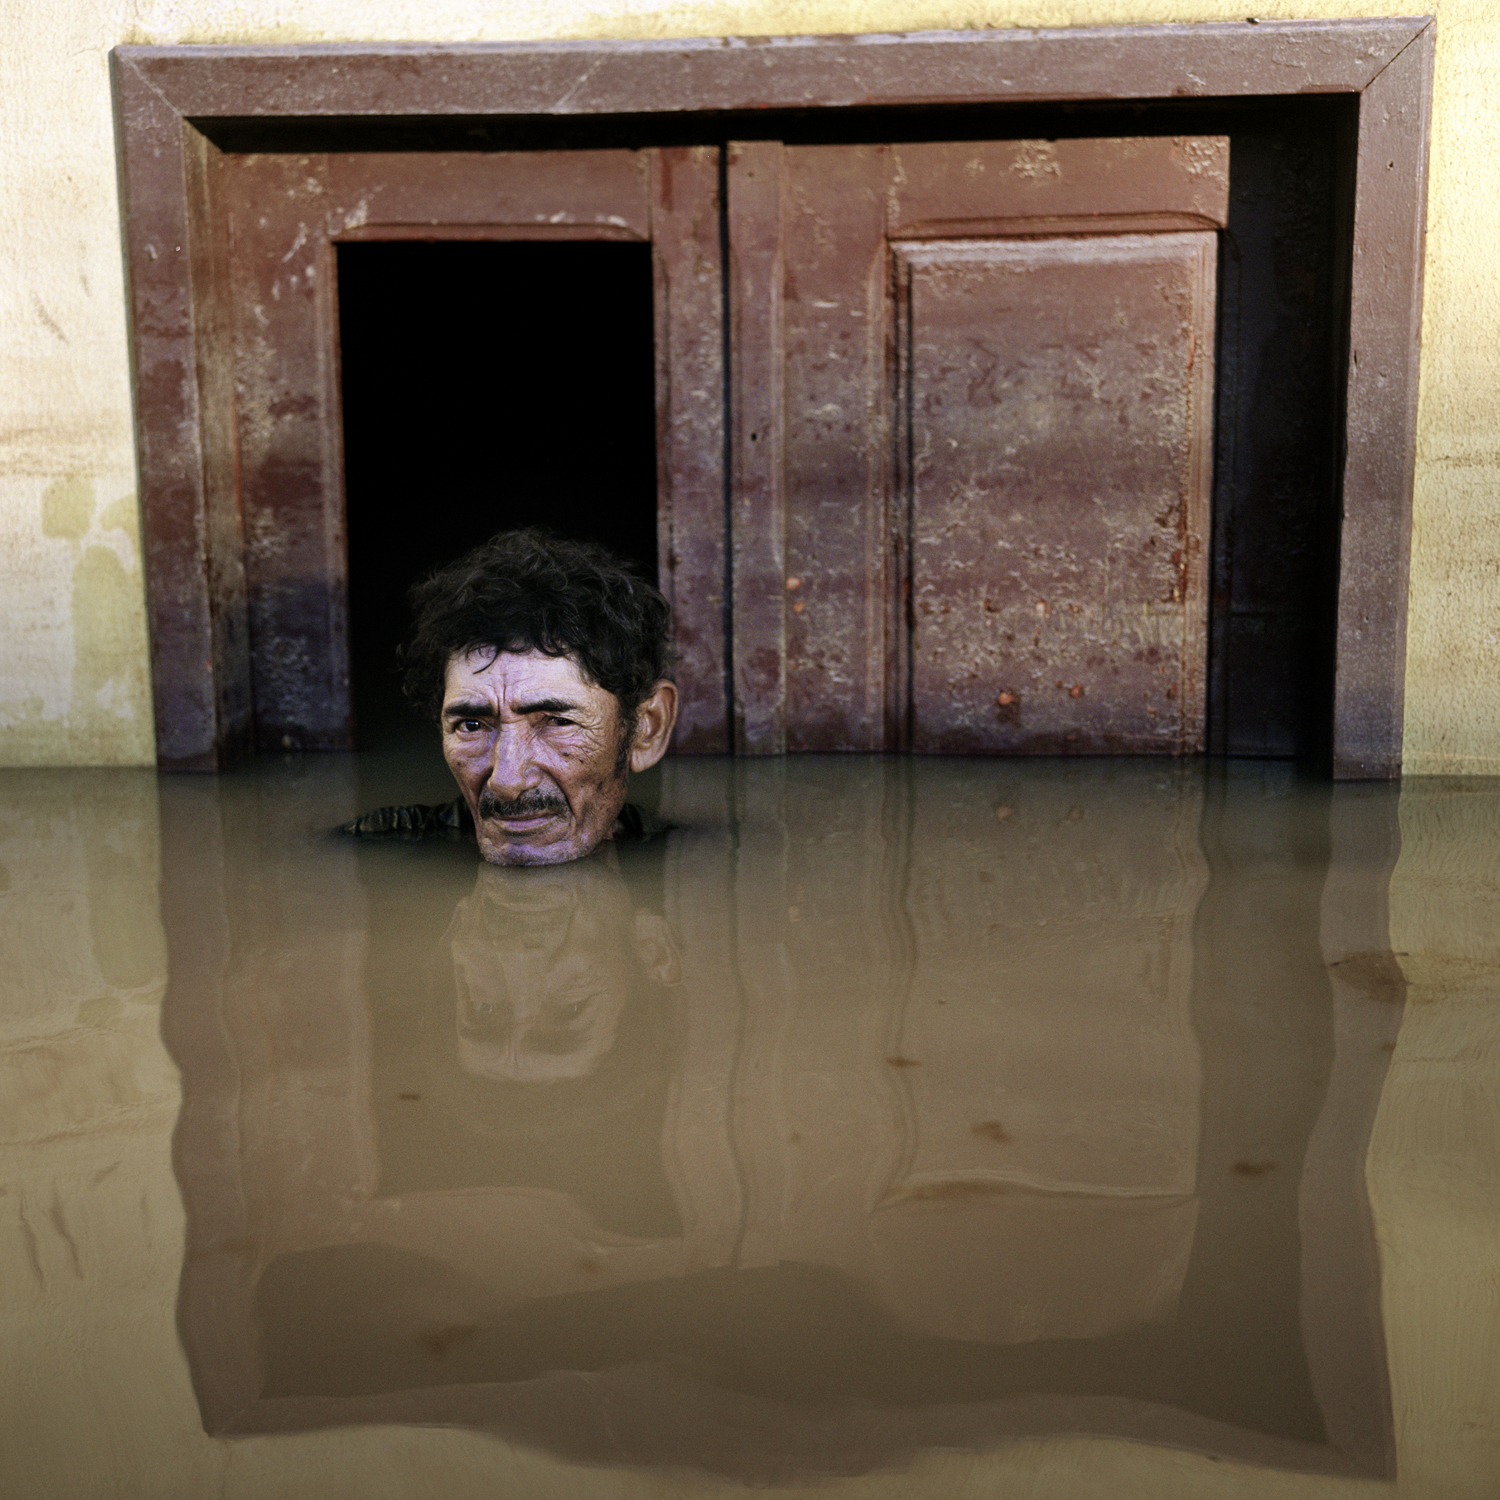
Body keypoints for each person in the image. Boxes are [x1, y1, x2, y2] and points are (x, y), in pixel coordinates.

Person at [345, 529, 678, 866]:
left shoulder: (696, 855)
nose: (507, 781)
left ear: (646, 729)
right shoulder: (365, 851)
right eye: (472, 725)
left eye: (558, 721)